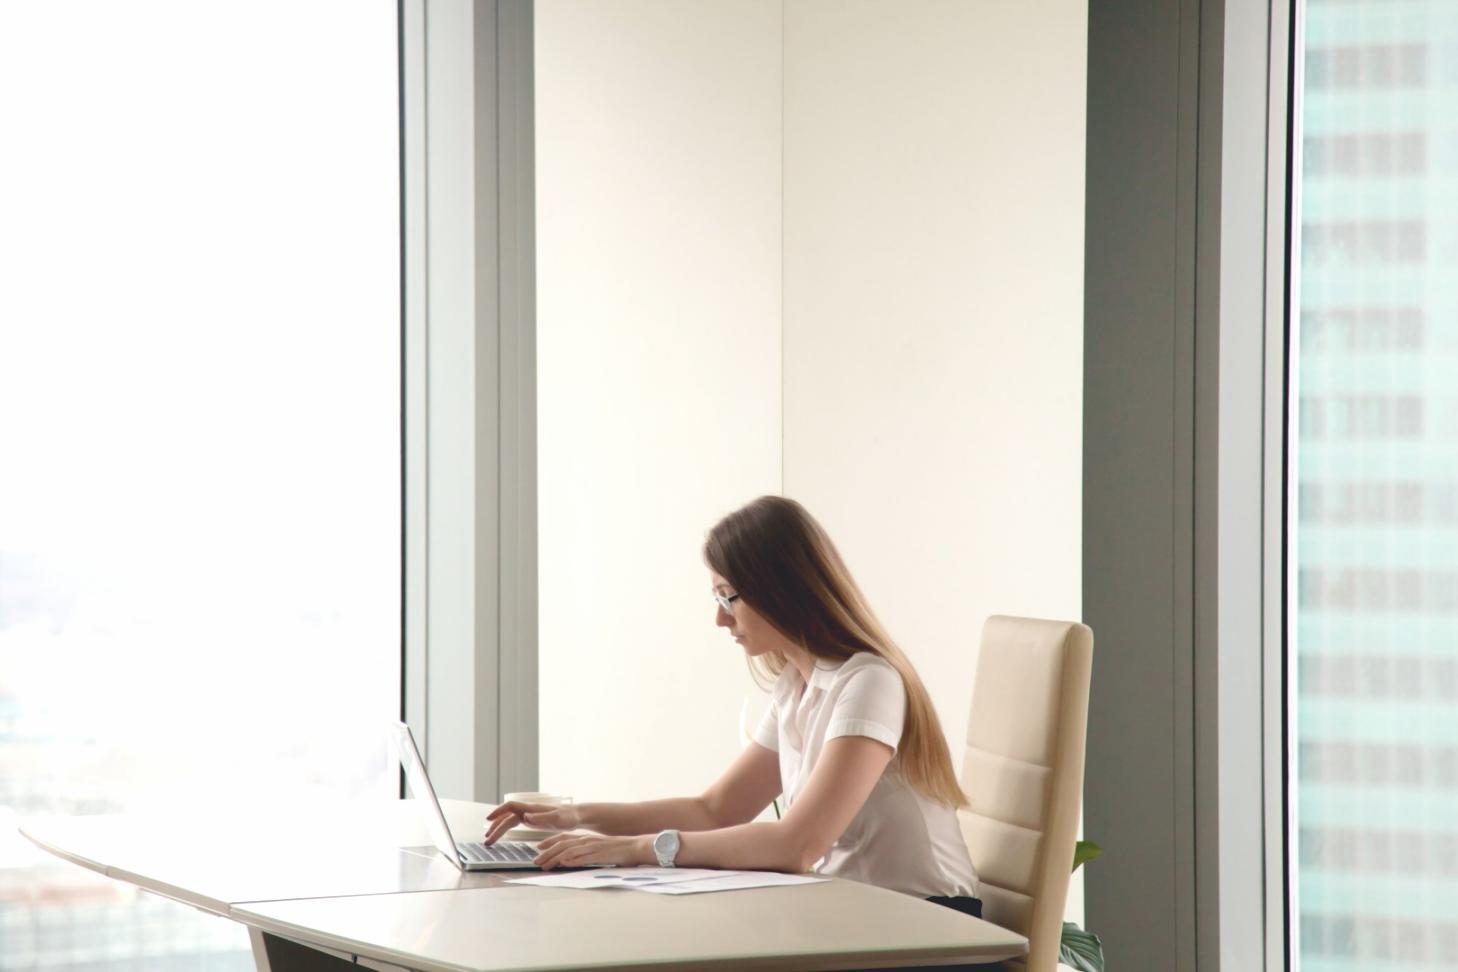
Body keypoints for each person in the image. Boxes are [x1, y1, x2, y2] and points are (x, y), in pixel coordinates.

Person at [484, 495, 980, 916]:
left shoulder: (870, 682)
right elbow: (715, 809)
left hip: (933, 927)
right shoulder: (796, 686)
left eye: (728, 598)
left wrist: (637, 849)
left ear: (781, 589)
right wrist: (575, 817)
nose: (721, 620)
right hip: (860, 918)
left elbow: (797, 845)